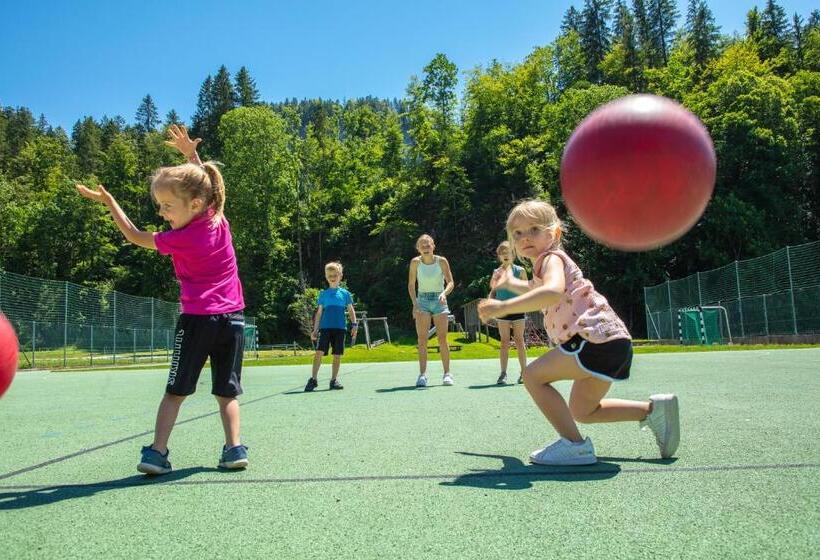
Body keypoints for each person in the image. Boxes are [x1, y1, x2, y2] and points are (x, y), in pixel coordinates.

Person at [76, 124, 248, 474]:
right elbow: (208, 187)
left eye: (167, 206)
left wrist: (111, 203)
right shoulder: (218, 220)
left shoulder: (179, 238)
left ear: (195, 204)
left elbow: (135, 236)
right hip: (233, 321)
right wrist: (190, 156)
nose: (163, 213)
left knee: (175, 392)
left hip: (198, 320)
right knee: (227, 394)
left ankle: (157, 453)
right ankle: (234, 450)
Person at [478, 199, 679, 465]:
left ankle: (574, 446)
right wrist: (512, 284)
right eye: (518, 233)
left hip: (590, 340)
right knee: (583, 411)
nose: (525, 237)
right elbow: (538, 288)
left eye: (534, 229)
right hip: (610, 343)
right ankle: (653, 411)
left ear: (555, 233)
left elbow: (551, 292)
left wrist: (503, 306)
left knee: (532, 377)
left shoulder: (550, 258)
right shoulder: (546, 265)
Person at [408, 234, 455, 388]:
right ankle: (422, 375)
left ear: (433, 246)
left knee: (442, 339)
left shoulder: (441, 261)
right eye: (422, 245)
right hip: (422, 301)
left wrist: (444, 293)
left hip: (439, 301)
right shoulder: (415, 263)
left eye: (428, 244)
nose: (425, 247)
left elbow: (450, 282)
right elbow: (411, 285)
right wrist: (415, 304)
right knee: (422, 340)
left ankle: (447, 374)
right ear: (418, 248)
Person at [305, 262, 358, 392]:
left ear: (340, 276)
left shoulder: (345, 294)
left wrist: (354, 325)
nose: (332, 277)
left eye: (335, 275)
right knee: (319, 353)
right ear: (326, 276)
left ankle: (334, 380)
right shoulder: (323, 294)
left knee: (337, 354)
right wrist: (315, 329)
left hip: (340, 328)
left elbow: (351, 310)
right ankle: (313, 379)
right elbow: (319, 313)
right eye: (329, 275)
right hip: (325, 328)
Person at [488, 241, 529, 385]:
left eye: (509, 252)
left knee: (519, 340)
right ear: (499, 256)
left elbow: (527, 289)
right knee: (504, 341)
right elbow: (493, 291)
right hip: (502, 311)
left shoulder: (521, 271)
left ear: (514, 255)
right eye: (503, 253)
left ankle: (524, 373)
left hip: (518, 310)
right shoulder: (496, 272)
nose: (506, 255)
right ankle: (503, 374)